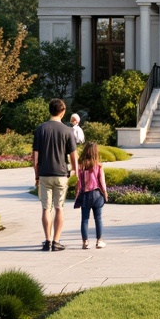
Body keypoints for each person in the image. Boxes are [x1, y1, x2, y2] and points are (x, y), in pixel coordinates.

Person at [31, 98, 78, 251]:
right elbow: (73, 155)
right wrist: (75, 171)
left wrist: (37, 175)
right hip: (61, 174)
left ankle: (47, 240)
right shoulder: (67, 130)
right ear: (63, 112)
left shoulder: (41, 129)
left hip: (44, 173)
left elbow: (35, 156)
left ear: (49, 110)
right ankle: (56, 241)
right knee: (59, 207)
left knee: (46, 208)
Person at [74, 141, 107, 249]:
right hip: (97, 194)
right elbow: (102, 182)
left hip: (85, 195)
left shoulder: (81, 166)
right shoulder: (98, 165)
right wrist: (105, 193)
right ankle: (99, 241)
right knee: (98, 218)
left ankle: (85, 242)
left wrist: (77, 195)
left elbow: (78, 183)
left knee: (84, 219)